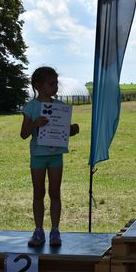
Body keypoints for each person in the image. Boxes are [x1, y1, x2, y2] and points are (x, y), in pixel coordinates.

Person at [20, 66, 79, 246]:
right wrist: (34, 124)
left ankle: (55, 230)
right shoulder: (31, 107)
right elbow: (23, 134)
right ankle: (38, 230)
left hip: (55, 156)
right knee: (38, 193)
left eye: (56, 83)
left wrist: (73, 129)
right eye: (51, 84)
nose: (55, 87)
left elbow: (63, 132)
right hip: (38, 156)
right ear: (39, 86)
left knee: (55, 192)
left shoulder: (60, 107)